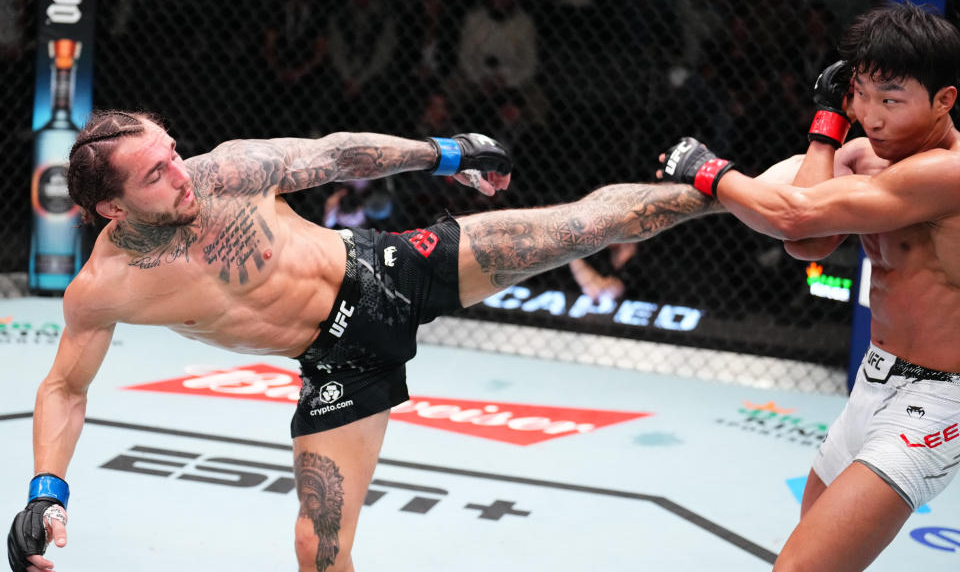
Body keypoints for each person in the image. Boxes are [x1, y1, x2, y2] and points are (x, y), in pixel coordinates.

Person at [8, 110, 734, 572]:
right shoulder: (105, 286)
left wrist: (447, 152)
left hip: (385, 270)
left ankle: (740, 190)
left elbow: (336, 155)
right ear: (110, 206)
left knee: (582, 228)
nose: (180, 173)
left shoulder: (224, 174)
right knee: (317, 551)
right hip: (338, 365)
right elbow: (65, 387)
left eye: (173, 152)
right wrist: (46, 494)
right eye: (156, 174)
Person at [657, 1, 960, 572]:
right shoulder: (865, 152)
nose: (872, 116)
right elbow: (809, 242)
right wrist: (828, 125)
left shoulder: (949, 172)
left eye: (891, 101)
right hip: (872, 382)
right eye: (861, 95)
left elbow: (794, 216)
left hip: (940, 399)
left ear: (944, 100)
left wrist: (708, 170)